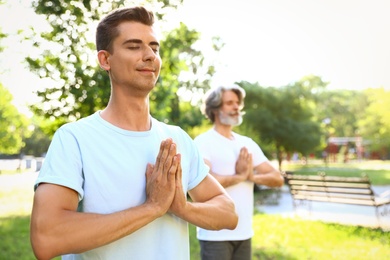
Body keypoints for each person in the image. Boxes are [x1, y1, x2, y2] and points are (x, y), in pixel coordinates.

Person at [30, 6, 238, 260]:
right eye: (134, 46)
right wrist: (152, 208)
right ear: (105, 60)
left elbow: (228, 213)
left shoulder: (177, 138)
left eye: (154, 47)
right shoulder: (74, 138)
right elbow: (47, 237)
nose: (150, 55)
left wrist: (182, 207)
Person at [194, 84, 284, 260]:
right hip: (215, 234)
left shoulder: (247, 143)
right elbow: (203, 182)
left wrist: (251, 177)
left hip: (244, 233)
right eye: (229, 103)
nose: (236, 107)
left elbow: (277, 178)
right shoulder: (202, 142)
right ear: (214, 108)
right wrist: (239, 177)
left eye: (237, 103)